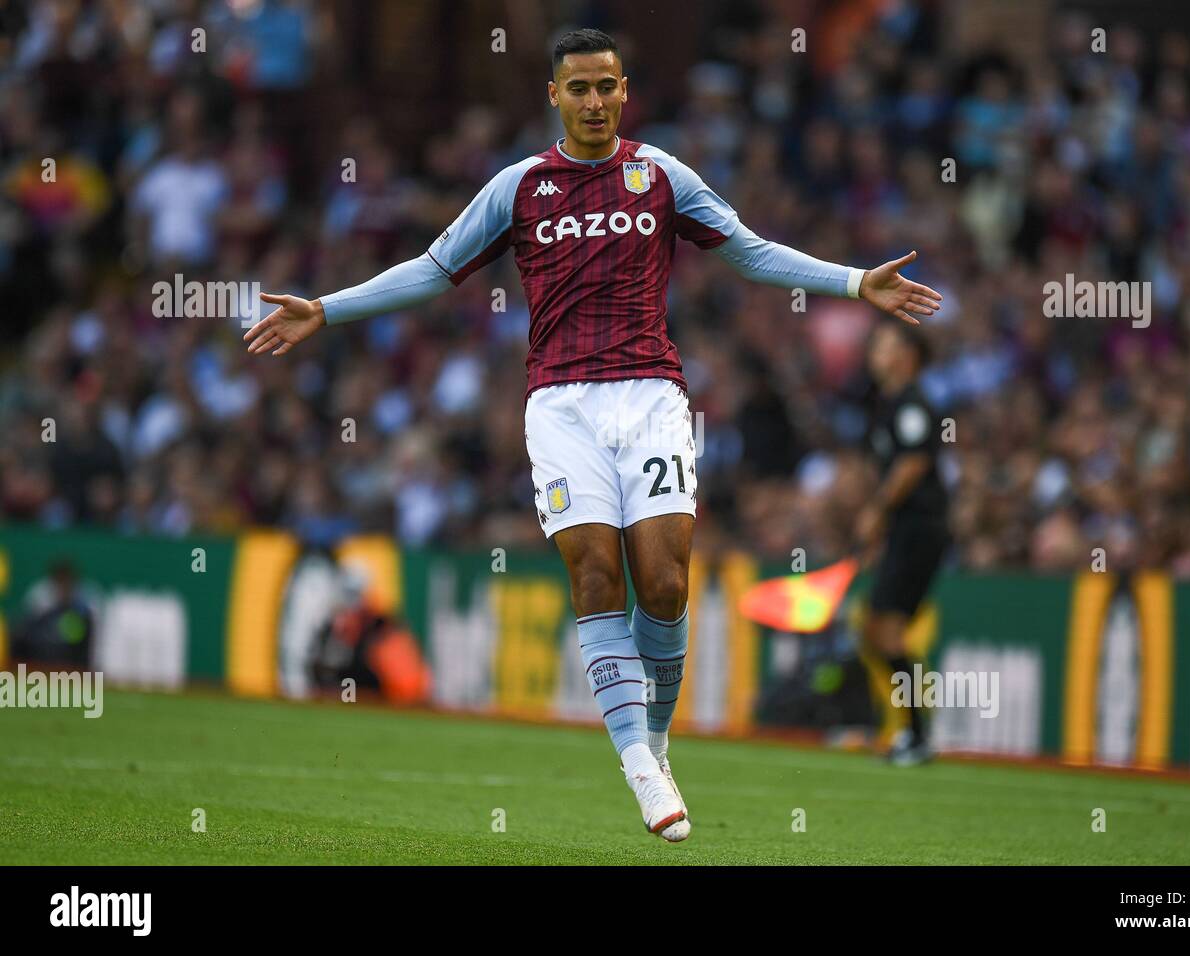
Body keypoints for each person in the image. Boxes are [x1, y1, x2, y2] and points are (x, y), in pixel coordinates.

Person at [243, 28, 941, 841]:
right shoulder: (519, 188)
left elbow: (749, 253)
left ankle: (657, 738)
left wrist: (855, 281)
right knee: (598, 575)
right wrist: (328, 307)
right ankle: (640, 766)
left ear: (624, 90)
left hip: (650, 397)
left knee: (667, 582)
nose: (596, 102)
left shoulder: (661, 176)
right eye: (579, 88)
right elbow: (433, 271)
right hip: (561, 405)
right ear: (554, 96)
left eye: (607, 86)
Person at [855, 322, 949, 766]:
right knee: (876, 631)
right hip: (904, 532)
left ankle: (917, 735)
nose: (876, 353)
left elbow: (914, 463)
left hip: (921, 529)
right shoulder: (887, 404)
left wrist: (876, 511)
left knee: (885, 631)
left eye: (885, 345)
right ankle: (911, 732)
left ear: (908, 355)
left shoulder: (914, 405)